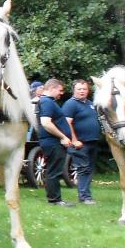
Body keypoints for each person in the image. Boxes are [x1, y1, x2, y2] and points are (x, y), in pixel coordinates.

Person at [38, 78, 75, 207]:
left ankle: (55, 198)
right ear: (52, 88)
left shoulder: (48, 102)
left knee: (54, 169)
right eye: (60, 90)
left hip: (53, 142)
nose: (61, 93)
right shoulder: (47, 102)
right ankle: (55, 200)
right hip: (53, 142)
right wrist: (62, 137)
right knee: (54, 170)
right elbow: (46, 123)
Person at [62, 79, 100, 205]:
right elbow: (67, 123)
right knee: (83, 169)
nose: (82, 91)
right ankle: (84, 197)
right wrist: (74, 140)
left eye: (85, 89)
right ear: (74, 90)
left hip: (92, 141)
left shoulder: (90, 103)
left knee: (89, 169)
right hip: (80, 143)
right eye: (79, 89)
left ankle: (86, 195)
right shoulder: (71, 104)